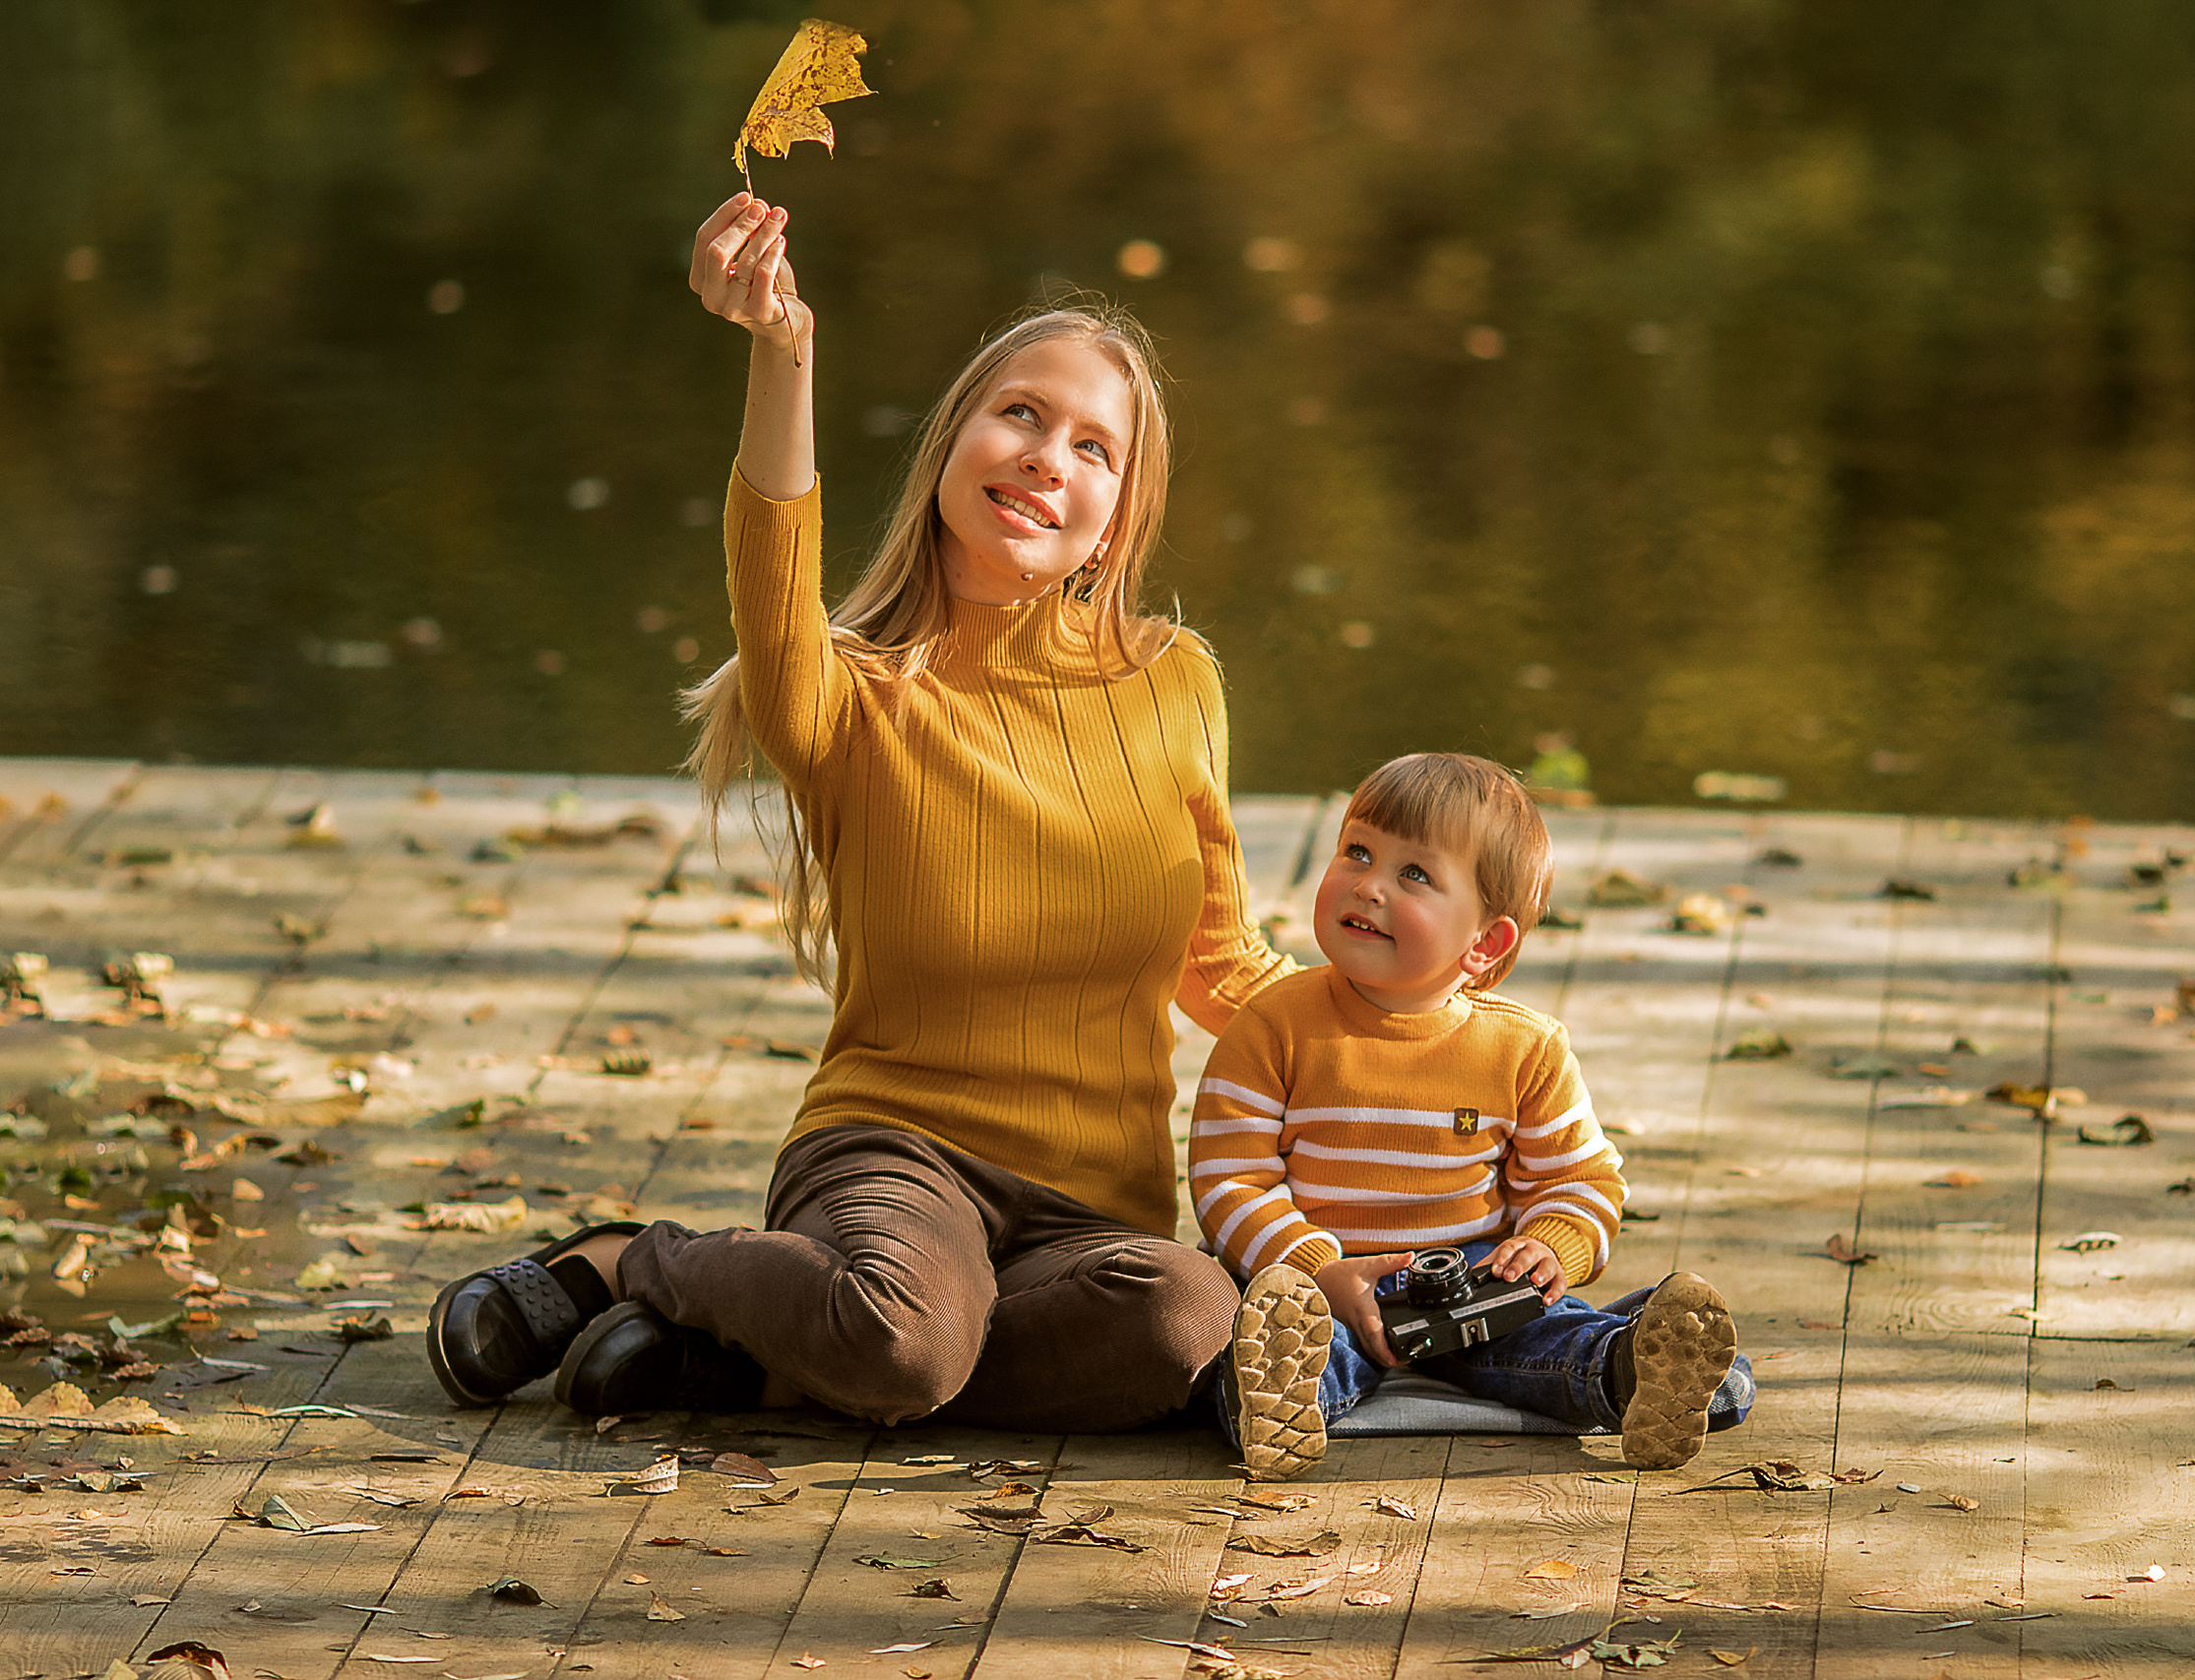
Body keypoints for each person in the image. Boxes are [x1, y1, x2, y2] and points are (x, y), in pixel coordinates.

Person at [426, 191, 1296, 1429]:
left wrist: (1422, 1027)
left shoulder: (1175, 683)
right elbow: (772, 568)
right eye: (1021, 416)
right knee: (908, 1338)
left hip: (1092, 1211)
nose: (1051, 456)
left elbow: (1221, 964)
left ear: (1116, 519)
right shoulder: (849, 703)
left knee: (1182, 1321)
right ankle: (635, 1262)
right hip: (897, 1159)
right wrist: (786, 351)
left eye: (1094, 448)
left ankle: (748, 1361)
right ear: (954, 444)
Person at [1190, 753, 1755, 1479]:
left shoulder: (1524, 1047)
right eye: (1357, 851)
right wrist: (1319, 1267)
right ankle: (1275, 1400)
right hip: (1323, 1290)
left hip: (1472, 1291)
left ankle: (1633, 1367)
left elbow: (1583, 1178)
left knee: (1553, 1340)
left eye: (1414, 875)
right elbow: (1228, 1180)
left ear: (1485, 942)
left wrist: (1551, 1244)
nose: (1368, 884)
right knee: (1286, 1346)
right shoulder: (1273, 1023)